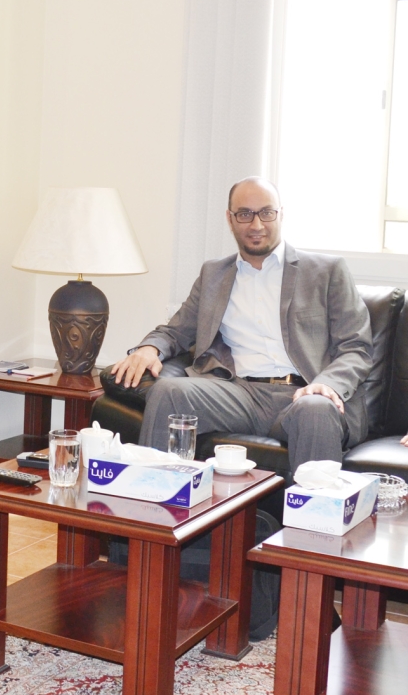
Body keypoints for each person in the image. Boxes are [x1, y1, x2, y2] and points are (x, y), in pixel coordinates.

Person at [111, 176, 373, 474]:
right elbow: (176, 330)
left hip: (303, 394)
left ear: (281, 214)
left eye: (266, 213)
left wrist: (326, 385)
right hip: (238, 394)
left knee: (315, 408)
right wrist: (149, 348)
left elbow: (357, 348)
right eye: (245, 214)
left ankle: (314, 505)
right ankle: (155, 493)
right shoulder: (214, 274)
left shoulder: (326, 271)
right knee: (168, 391)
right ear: (230, 219)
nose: (256, 224)